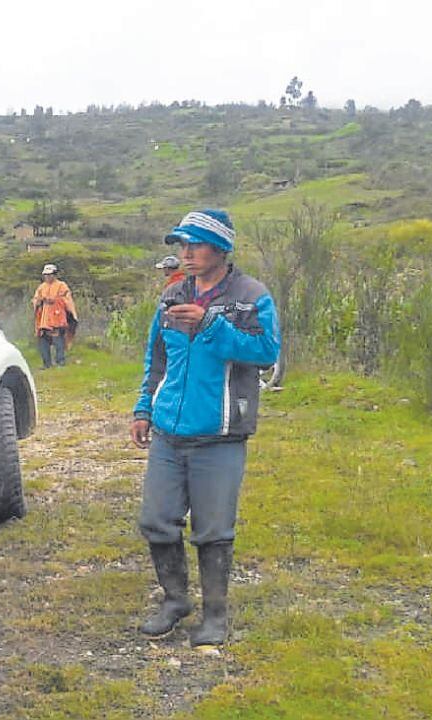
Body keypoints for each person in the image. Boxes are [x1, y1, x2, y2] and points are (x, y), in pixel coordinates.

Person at [130, 209, 280, 647]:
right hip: (168, 432)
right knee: (156, 520)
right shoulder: (171, 295)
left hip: (220, 434)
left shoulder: (251, 297)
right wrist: (143, 409)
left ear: (221, 249)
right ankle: (176, 601)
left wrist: (213, 325)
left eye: (195, 244)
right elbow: (157, 360)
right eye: (182, 244)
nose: (186, 253)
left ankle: (215, 615)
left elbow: (266, 352)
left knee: (214, 529)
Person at [32, 263, 77, 369]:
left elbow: (67, 300)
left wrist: (55, 301)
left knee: (58, 340)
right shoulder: (41, 287)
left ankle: (60, 362)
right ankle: (46, 364)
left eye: (50, 274)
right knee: (43, 341)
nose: (47, 277)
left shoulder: (62, 285)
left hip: (58, 318)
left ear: (55, 274)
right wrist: (39, 301)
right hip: (44, 320)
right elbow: (35, 300)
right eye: (46, 275)